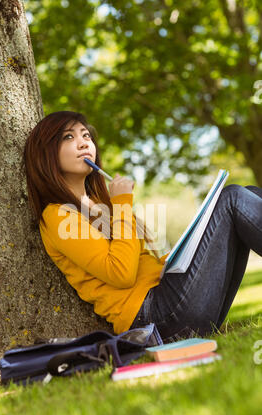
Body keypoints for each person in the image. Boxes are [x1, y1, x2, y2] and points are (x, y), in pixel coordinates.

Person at [23, 110, 262, 343]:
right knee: (232, 198)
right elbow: (121, 274)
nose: (84, 143)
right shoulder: (57, 215)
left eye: (86, 135)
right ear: (47, 154)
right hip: (155, 319)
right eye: (69, 137)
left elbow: (140, 264)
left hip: (168, 302)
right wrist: (122, 203)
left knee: (248, 193)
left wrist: (176, 257)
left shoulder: (99, 205)